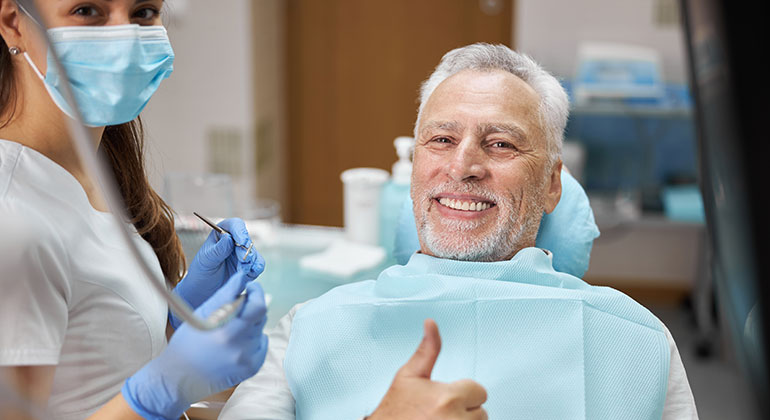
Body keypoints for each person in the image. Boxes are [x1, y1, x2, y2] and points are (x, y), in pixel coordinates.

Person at [219, 43, 698, 420]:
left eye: (501, 143)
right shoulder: (307, 331)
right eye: (442, 140)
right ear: (413, 168)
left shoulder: (635, 342)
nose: (463, 166)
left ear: (552, 185)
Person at [0, 1, 269, 419]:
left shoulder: (92, 164)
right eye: (88, 11)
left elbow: (94, 357)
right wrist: (159, 392)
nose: (123, 37)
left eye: (143, 11)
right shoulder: (12, 221)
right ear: (12, 22)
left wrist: (176, 320)